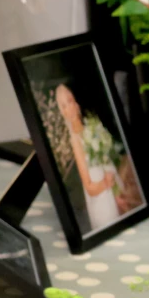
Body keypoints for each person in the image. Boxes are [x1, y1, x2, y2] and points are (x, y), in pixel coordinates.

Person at [55, 84, 120, 231]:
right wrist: (105, 183)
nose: (69, 108)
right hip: (101, 199)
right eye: (64, 106)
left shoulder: (91, 125)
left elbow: (108, 157)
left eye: (69, 101)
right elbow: (89, 187)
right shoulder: (76, 140)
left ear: (76, 102)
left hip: (111, 188)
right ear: (62, 112)